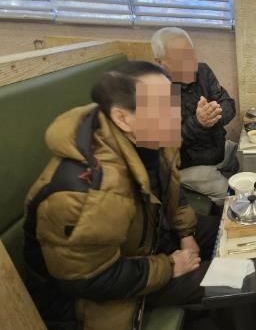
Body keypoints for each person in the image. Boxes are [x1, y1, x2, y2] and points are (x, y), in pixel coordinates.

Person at [23, 61, 221, 330]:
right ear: (122, 118)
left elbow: (172, 191)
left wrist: (187, 233)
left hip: (148, 240)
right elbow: (90, 279)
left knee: (231, 227)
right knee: (235, 279)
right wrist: (168, 266)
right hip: (99, 292)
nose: (176, 116)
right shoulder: (84, 192)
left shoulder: (153, 137)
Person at [151, 27, 238, 202]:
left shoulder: (202, 71)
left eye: (190, 54)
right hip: (188, 165)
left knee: (246, 156)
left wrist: (213, 116)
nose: (190, 63)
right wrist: (198, 123)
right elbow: (160, 149)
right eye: (180, 58)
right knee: (230, 194)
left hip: (218, 149)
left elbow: (228, 104)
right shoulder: (154, 88)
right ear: (159, 62)